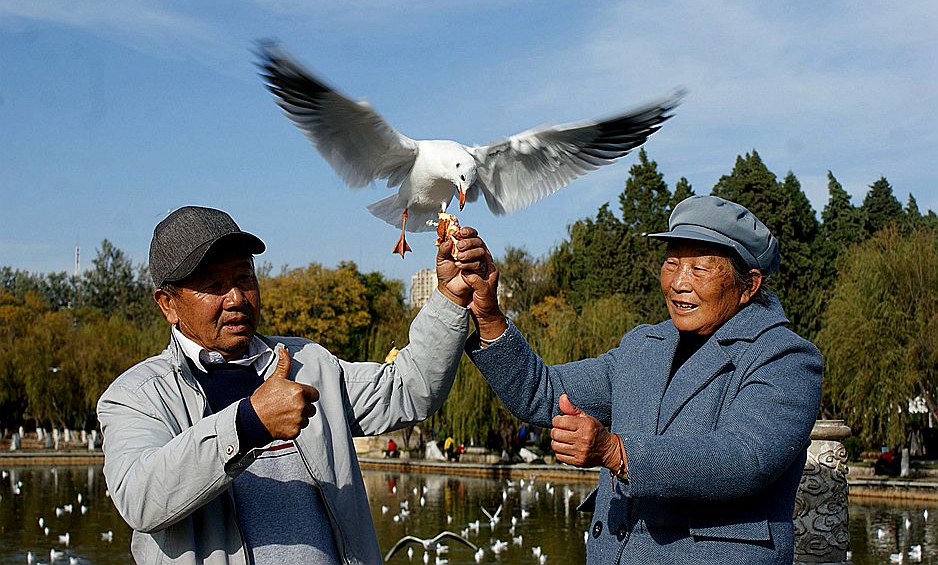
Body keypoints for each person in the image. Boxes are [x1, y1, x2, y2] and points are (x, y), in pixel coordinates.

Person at [97, 206, 490, 565]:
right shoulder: (136, 396)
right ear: (167, 304)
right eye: (213, 284)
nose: (235, 297)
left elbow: (409, 389)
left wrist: (450, 298)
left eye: (243, 277)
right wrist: (249, 423)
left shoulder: (309, 364)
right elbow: (141, 498)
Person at [461, 195, 823, 564]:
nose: (679, 283)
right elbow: (541, 392)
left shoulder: (784, 357)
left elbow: (745, 459)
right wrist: (489, 315)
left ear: (749, 285)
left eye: (699, 269)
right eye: (671, 264)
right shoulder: (643, 347)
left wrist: (616, 452)